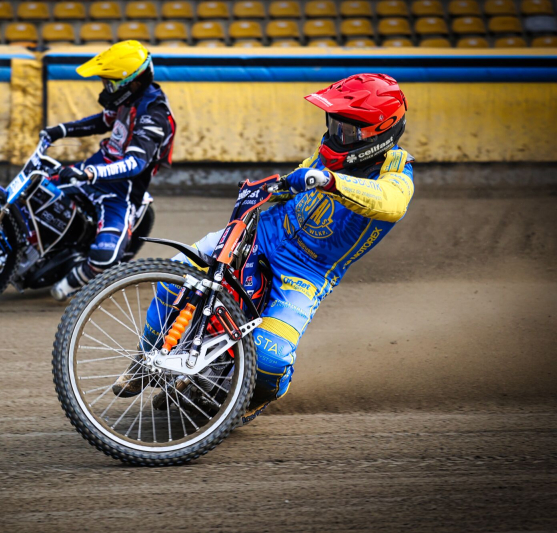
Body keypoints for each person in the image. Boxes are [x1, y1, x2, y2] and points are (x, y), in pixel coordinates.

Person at [113, 73, 414, 424]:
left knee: (270, 359)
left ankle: (248, 400)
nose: (336, 134)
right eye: (334, 124)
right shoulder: (331, 152)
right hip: (262, 234)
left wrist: (330, 181)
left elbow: (390, 201)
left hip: (307, 274)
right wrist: (275, 186)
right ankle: (144, 361)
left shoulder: (397, 174)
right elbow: (300, 178)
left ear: (379, 133)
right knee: (174, 277)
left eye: (347, 129)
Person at [42, 40, 175, 301]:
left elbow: (135, 164)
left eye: (109, 83)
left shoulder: (154, 115)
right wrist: (61, 130)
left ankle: (71, 283)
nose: (105, 88)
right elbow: (104, 121)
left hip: (119, 191)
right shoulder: (129, 99)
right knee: (37, 187)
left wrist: (90, 174)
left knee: (105, 256)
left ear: (131, 83)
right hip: (92, 169)